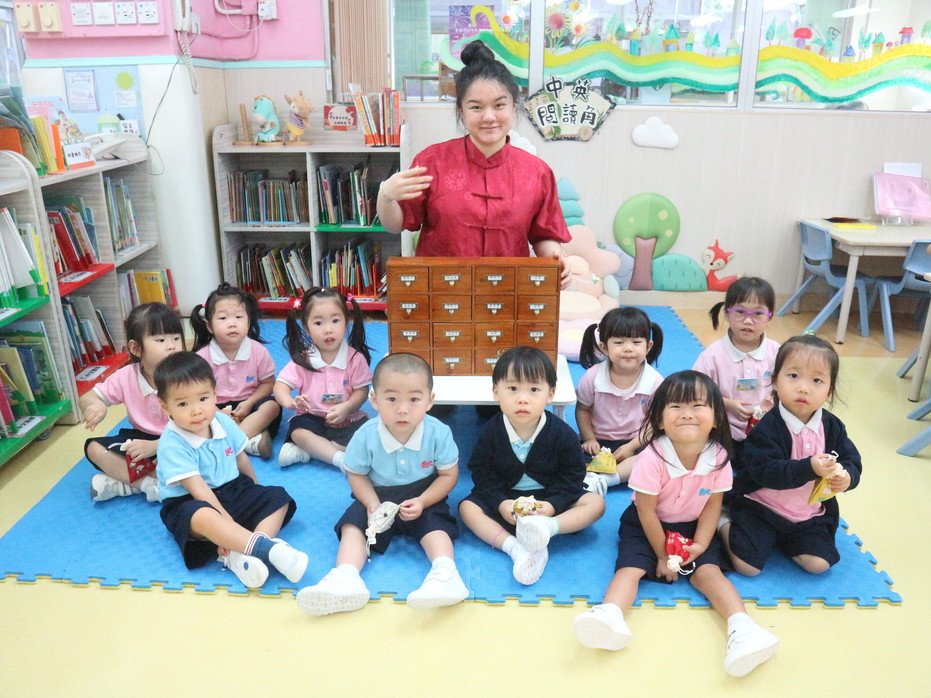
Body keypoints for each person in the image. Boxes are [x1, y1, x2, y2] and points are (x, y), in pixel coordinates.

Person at [573, 371, 779, 678]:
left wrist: (701, 544)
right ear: (659, 419)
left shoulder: (719, 456)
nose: (687, 414)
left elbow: (713, 506)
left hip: (693, 525)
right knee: (630, 569)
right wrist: (661, 554)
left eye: (698, 405)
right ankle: (609, 614)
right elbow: (646, 511)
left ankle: (743, 628)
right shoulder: (652, 458)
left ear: (716, 417)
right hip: (647, 524)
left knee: (709, 574)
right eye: (676, 406)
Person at [376, 40, 571, 288]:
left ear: (513, 106)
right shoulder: (432, 162)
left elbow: (544, 236)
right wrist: (385, 196)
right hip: (442, 291)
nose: (489, 117)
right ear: (461, 111)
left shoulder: (537, 172)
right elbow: (396, 225)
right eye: (476, 107)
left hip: (508, 290)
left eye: (499, 105)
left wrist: (556, 257)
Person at [296, 353, 467, 615]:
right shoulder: (365, 435)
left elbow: (448, 475)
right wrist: (371, 503)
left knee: (436, 525)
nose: (403, 409)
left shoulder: (438, 433)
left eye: (414, 399)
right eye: (392, 399)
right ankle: (345, 577)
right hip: (376, 494)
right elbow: (356, 475)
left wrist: (423, 501)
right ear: (374, 400)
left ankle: (445, 574)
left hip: (423, 493)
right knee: (353, 525)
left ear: (430, 401)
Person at [153, 352, 306, 589]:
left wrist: (256, 492)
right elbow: (199, 490)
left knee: (278, 498)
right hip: (190, 501)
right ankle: (265, 549)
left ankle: (244, 553)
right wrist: (227, 522)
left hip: (232, 489)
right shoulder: (172, 443)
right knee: (204, 516)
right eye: (183, 404)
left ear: (215, 394)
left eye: (203, 398)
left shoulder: (222, 422)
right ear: (165, 407)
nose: (196, 410)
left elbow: (241, 458)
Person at [459, 346, 605, 585]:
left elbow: (572, 475)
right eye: (512, 389)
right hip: (507, 501)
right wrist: (501, 503)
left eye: (534, 389)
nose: (522, 398)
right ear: (496, 392)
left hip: (550, 500)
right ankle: (514, 547)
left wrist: (553, 505)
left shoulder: (562, 434)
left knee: (596, 503)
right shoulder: (491, 433)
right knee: (467, 508)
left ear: (550, 394)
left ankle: (548, 528)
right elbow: (482, 474)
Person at [720, 335, 861, 576]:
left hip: (808, 514)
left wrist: (847, 477)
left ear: (829, 390)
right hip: (761, 507)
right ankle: (722, 520)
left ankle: (785, 540)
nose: (803, 388)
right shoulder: (767, 426)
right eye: (793, 376)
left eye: (817, 380)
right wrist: (809, 468)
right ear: (775, 381)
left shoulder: (832, 426)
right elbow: (765, 471)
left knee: (819, 565)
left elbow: (851, 459)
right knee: (747, 567)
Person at [80, 302, 183, 503]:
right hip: (141, 441)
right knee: (94, 448)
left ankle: (127, 484)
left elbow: (200, 425)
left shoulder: (187, 373)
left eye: (176, 338)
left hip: (182, 437)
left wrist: (157, 446)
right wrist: (97, 405)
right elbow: (86, 397)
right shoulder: (127, 375)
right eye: (161, 340)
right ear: (136, 348)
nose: (172, 345)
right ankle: (147, 485)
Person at [273, 287, 372, 468]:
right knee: (298, 431)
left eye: (335, 320)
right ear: (306, 328)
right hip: (313, 418)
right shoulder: (304, 358)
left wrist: (347, 407)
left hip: (347, 418)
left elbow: (362, 391)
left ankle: (313, 451)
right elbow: (280, 386)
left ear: (346, 322)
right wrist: (289, 402)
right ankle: (340, 459)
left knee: (369, 433)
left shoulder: (355, 358)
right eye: (318, 323)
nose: (328, 329)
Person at [577, 307, 664, 494]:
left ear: (648, 347)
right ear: (604, 348)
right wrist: (589, 438)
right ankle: (605, 474)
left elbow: (656, 421)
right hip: (598, 442)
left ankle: (606, 479)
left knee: (658, 456)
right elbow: (582, 409)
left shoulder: (655, 382)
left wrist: (632, 446)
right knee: (567, 458)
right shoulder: (592, 377)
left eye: (636, 342)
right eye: (619, 342)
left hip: (636, 441)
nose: (628, 348)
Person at [191, 282, 281, 460]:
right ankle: (250, 440)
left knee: (272, 406)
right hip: (216, 408)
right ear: (209, 326)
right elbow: (196, 393)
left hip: (250, 404)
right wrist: (216, 411)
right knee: (195, 418)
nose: (232, 323)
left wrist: (249, 402)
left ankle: (230, 443)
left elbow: (269, 383)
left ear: (248, 321)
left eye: (239, 317)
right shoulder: (202, 357)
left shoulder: (257, 351)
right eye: (223, 318)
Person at [693, 277, 780, 461]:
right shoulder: (712, 356)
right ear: (727, 313)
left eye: (758, 314)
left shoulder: (777, 353)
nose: (748, 321)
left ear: (769, 317)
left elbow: (788, 386)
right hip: (723, 430)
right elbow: (696, 393)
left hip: (766, 429)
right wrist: (727, 404)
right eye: (740, 312)